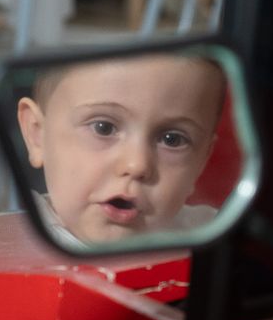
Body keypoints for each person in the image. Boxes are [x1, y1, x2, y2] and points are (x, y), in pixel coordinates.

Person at [15, 53, 226, 246]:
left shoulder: (215, 236)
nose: (137, 165)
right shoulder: (13, 243)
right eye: (103, 128)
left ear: (201, 162)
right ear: (37, 134)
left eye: (172, 140)